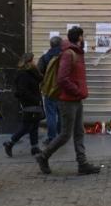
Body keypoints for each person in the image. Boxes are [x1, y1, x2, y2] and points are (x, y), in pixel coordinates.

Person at [34, 27, 100, 175]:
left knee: (79, 132)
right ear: (80, 38)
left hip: (76, 99)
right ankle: (43, 156)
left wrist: (79, 93)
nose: (84, 39)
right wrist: (77, 91)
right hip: (68, 100)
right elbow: (62, 79)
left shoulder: (76, 52)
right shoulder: (68, 54)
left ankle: (82, 164)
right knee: (65, 134)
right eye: (83, 36)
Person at [3, 53, 44, 157]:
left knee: (34, 125)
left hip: (35, 102)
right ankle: (10, 142)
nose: (35, 62)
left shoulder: (32, 72)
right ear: (28, 62)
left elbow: (40, 79)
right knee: (27, 127)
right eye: (33, 60)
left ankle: (34, 147)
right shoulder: (23, 74)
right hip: (29, 103)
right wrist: (35, 100)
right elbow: (22, 91)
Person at [37, 36, 62, 145]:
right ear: (60, 44)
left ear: (51, 45)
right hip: (62, 90)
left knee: (51, 114)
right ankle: (62, 136)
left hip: (49, 90)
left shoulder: (45, 57)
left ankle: (52, 137)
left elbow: (39, 73)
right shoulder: (64, 57)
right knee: (61, 114)